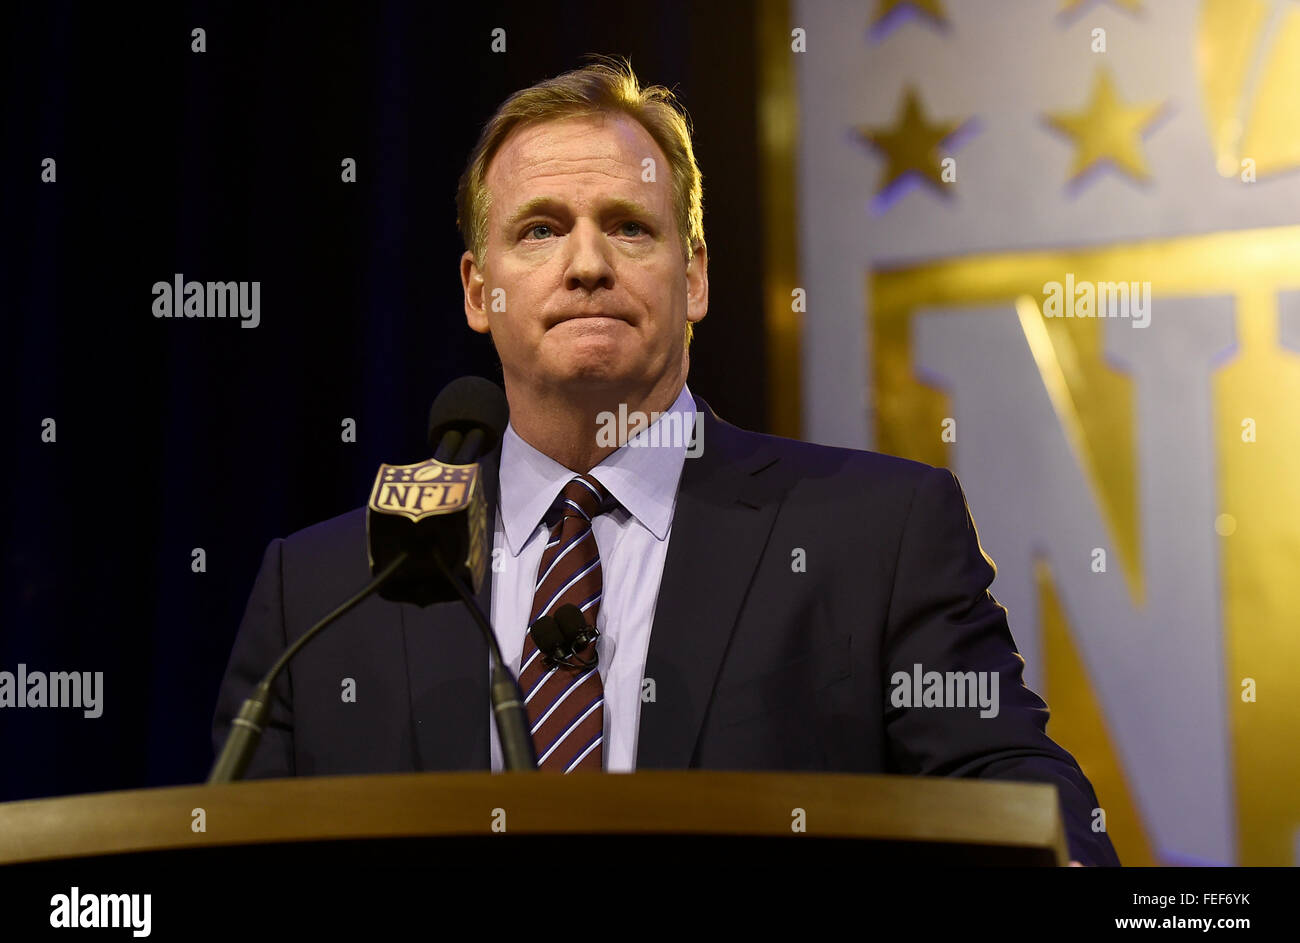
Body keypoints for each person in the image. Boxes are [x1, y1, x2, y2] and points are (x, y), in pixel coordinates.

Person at [212, 56, 1119, 866]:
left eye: (629, 228)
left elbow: (1021, 800)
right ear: (477, 290)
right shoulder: (327, 591)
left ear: (696, 278)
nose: (587, 263)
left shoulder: (875, 535)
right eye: (538, 230)